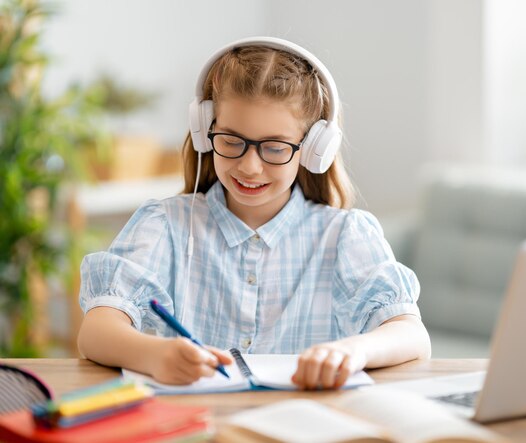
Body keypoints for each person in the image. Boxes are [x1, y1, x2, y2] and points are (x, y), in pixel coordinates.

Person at [77, 37, 431, 390]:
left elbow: (412, 336)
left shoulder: (345, 236)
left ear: (312, 150)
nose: (249, 167)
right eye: (231, 141)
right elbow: (96, 331)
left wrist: (354, 351)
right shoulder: (165, 225)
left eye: (275, 148)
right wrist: (154, 354)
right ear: (206, 131)